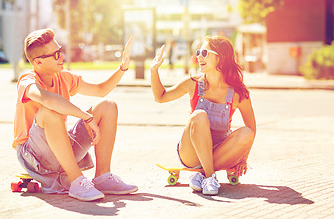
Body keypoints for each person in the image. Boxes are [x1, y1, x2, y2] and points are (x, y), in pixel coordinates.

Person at [13, 28, 138, 201]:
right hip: (34, 157)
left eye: (60, 51)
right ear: (38, 62)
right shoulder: (27, 81)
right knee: (50, 111)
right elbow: (48, 100)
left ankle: (103, 176)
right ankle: (76, 181)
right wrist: (85, 117)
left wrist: (122, 68)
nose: (62, 56)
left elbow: (101, 90)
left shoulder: (63, 77)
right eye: (56, 54)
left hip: (60, 150)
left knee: (107, 105)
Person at [151, 36, 256, 195]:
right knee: (199, 115)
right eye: (198, 52)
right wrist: (154, 70)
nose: (199, 56)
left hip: (220, 151)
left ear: (220, 58)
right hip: (191, 153)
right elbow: (160, 97)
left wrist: (244, 159)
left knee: (247, 132)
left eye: (205, 52)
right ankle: (209, 176)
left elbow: (252, 128)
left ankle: (201, 174)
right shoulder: (192, 83)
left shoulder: (237, 93)